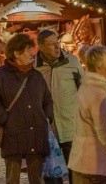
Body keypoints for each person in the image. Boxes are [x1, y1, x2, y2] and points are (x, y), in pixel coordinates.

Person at [0, 32, 53, 184]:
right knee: (12, 179)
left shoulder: (36, 76)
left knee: (37, 179)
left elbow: (47, 100)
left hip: (36, 133)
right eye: (28, 50)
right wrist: (7, 120)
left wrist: (47, 117)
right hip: (12, 134)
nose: (32, 53)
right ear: (16, 53)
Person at [35, 29, 83, 184]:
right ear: (41, 47)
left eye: (58, 43)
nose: (57, 47)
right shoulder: (34, 67)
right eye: (51, 44)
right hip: (48, 129)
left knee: (75, 173)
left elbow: (83, 90)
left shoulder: (72, 62)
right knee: (52, 175)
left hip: (70, 126)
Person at [68, 45, 106, 184]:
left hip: (84, 163)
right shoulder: (99, 92)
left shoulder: (88, 86)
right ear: (99, 67)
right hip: (96, 165)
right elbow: (104, 132)